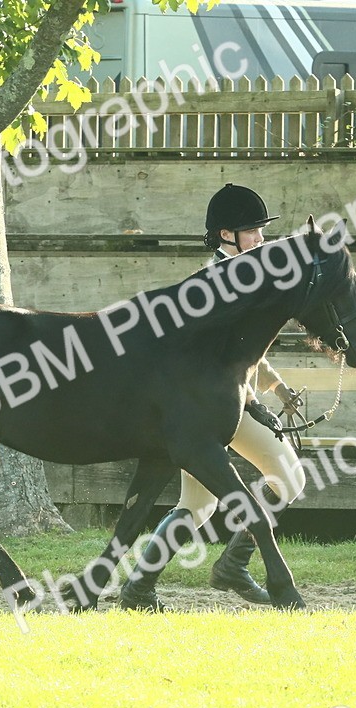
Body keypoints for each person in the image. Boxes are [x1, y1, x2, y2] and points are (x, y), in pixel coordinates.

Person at [118, 183, 308, 611]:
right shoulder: (217, 284)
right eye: (253, 231)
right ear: (227, 235)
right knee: (290, 478)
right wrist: (256, 402)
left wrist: (275, 385)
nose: (261, 238)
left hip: (213, 407)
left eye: (261, 230)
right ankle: (233, 566)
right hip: (223, 409)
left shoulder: (237, 278)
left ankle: (138, 587)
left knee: (197, 503)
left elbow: (248, 353)